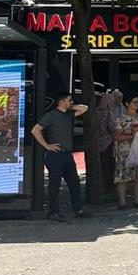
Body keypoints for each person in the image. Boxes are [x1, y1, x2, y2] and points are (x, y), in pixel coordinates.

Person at [31, 92, 91, 222]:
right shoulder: (51, 115)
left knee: (74, 183)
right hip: (55, 155)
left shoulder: (69, 115)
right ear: (61, 102)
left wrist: (71, 106)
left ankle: (78, 209)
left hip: (67, 154)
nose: (72, 102)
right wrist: (47, 146)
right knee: (55, 185)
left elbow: (84, 108)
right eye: (69, 100)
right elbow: (35, 130)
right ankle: (54, 212)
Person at [112, 94, 138, 209]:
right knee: (122, 176)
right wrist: (130, 136)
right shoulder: (121, 119)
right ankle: (122, 202)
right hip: (124, 152)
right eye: (134, 102)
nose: (137, 104)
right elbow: (116, 136)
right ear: (127, 104)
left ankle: (137, 201)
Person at [96, 91, 118, 194]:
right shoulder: (109, 113)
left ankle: (101, 183)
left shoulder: (96, 112)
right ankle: (108, 184)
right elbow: (112, 127)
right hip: (108, 141)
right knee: (109, 163)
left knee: (101, 163)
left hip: (98, 141)